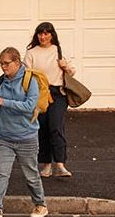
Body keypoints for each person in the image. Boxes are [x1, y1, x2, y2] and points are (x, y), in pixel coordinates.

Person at [0, 47, 48, 217]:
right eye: (1, 64)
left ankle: (40, 204)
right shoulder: (1, 81)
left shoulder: (29, 80)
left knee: (31, 175)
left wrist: (4, 102)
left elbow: (29, 106)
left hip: (26, 137)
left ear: (17, 62)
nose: (3, 67)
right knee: (1, 173)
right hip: (5, 137)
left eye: (6, 63)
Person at [24, 22, 76, 178]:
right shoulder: (31, 53)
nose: (43, 37)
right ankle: (46, 165)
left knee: (56, 126)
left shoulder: (59, 51)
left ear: (52, 35)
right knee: (42, 129)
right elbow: (27, 74)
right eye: (40, 33)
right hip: (40, 93)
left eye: (46, 33)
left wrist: (64, 66)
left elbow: (72, 72)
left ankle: (60, 164)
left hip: (58, 93)